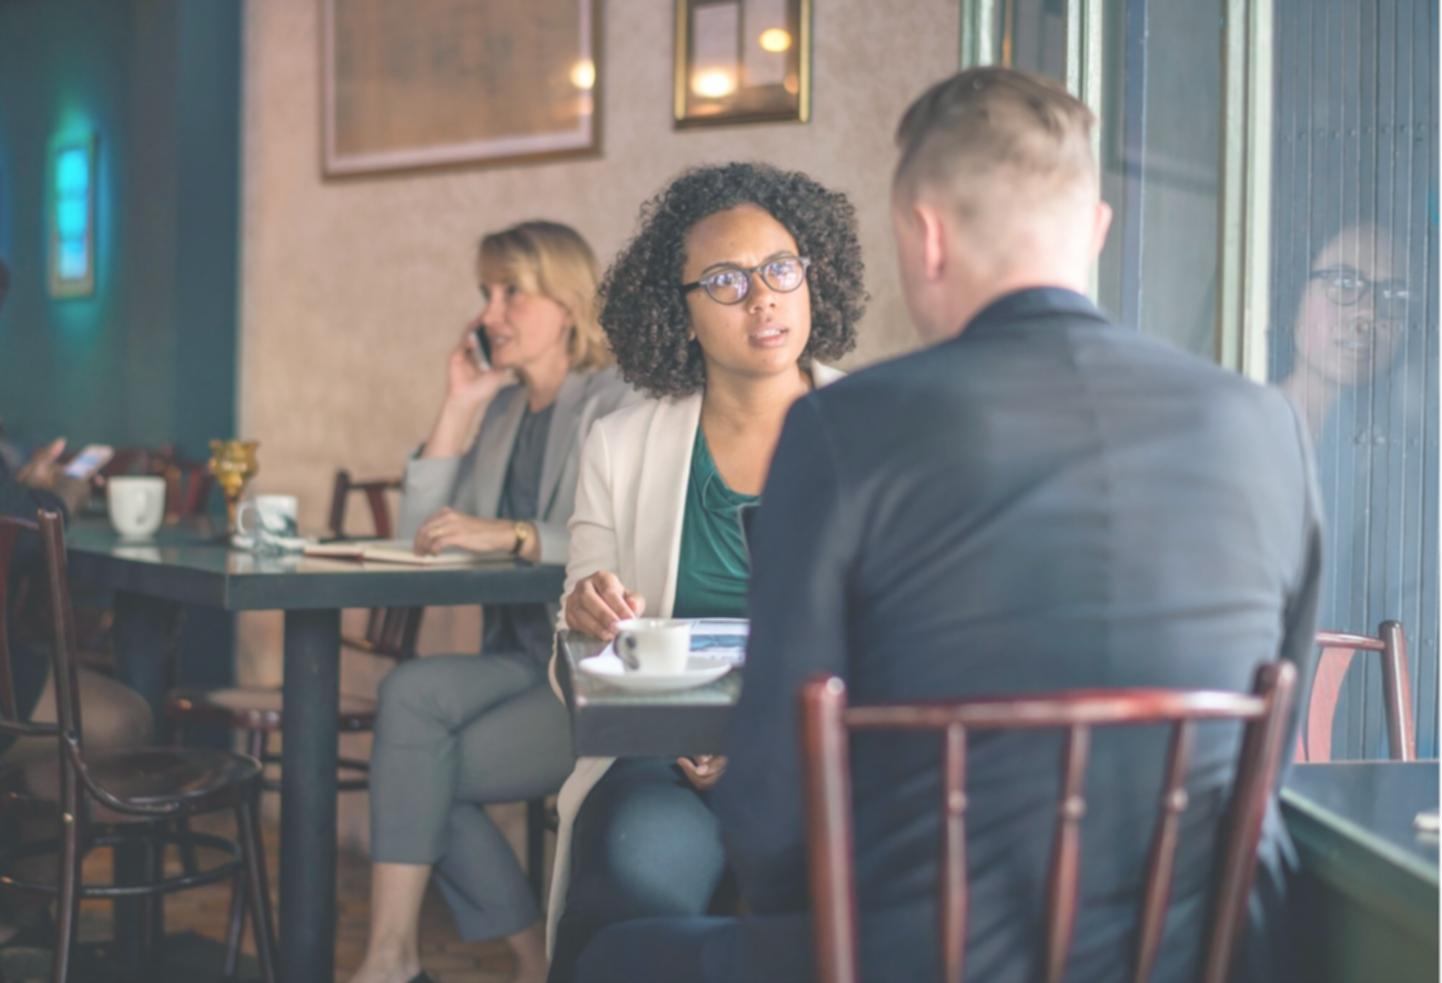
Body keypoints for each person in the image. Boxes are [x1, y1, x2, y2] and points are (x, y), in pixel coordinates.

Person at [573, 68, 1323, 983]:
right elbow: (1272, 748)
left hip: (923, 950)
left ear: (923, 235)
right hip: (1194, 950)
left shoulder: (848, 430)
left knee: (611, 956)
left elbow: (773, 798)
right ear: (1095, 230)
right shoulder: (1261, 422)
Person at [546, 161, 866, 981]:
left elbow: (908, 641)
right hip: (665, 755)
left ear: (809, 279)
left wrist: (771, 747)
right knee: (632, 879)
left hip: (834, 759)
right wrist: (586, 609)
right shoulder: (620, 445)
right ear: (678, 313)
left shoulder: (879, 432)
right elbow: (578, 656)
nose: (762, 296)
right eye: (724, 280)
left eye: (780, 269)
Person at [351, 221, 634, 983]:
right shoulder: (505, 410)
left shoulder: (617, 399)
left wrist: (510, 532)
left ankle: (416, 958)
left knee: (417, 769)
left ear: (569, 303)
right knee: (407, 695)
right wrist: (459, 402)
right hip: (516, 657)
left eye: (513, 292)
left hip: (586, 669)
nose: (490, 313)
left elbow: (615, 543)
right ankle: (402, 954)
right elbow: (424, 537)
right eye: (486, 293)